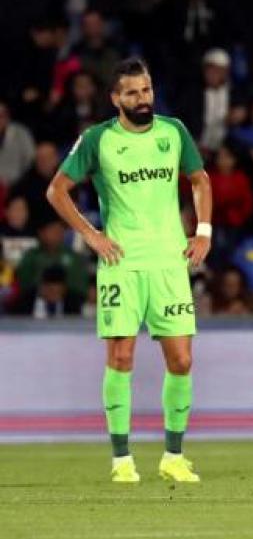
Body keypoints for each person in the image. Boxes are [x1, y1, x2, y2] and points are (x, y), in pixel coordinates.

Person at [44, 57, 212, 484]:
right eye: (133, 93)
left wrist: (203, 231)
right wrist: (91, 235)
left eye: (147, 90)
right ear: (116, 98)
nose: (142, 99)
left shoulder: (173, 132)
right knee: (120, 357)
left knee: (182, 360)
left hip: (169, 262)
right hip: (121, 263)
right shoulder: (98, 139)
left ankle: (173, 457)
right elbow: (57, 191)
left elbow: (200, 180)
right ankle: (122, 460)